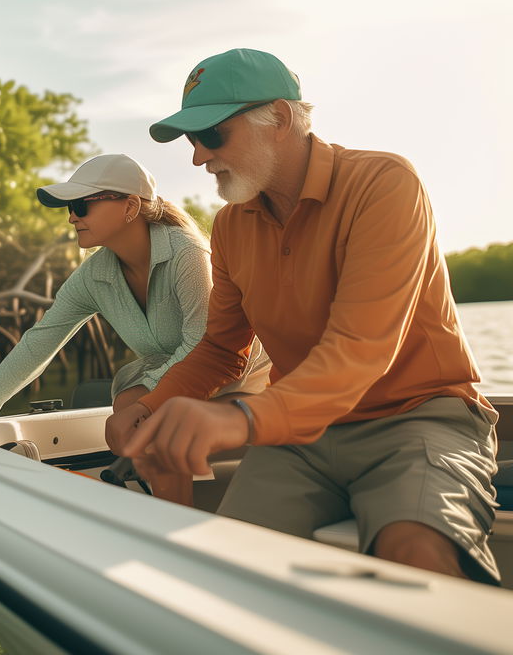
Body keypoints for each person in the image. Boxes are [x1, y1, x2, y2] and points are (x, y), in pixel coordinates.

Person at [106, 47, 500, 584]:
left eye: (211, 136)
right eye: (191, 141)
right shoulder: (229, 227)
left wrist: (237, 419)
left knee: (416, 558)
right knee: (228, 574)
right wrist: (150, 407)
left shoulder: (385, 183)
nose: (198, 157)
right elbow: (223, 348)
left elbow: (359, 350)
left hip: (418, 419)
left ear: (281, 120)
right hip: (300, 440)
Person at [0, 153, 270, 499]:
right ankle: (157, 504)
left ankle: (170, 531)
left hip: (243, 382)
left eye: (81, 205)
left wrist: (146, 404)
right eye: (69, 208)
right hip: (173, 382)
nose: (71, 217)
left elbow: (202, 345)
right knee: (128, 407)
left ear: (130, 206)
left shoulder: (188, 255)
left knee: (149, 422)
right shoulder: (94, 275)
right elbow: (41, 340)